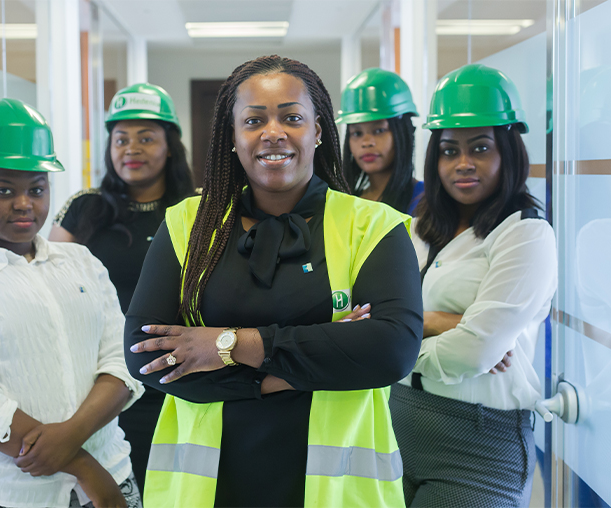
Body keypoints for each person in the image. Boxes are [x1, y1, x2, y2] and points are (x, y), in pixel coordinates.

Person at [123, 55, 423, 508]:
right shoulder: (187, 224)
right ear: (233, 137)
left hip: (337, 492)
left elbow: (391, 349)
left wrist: (224, 344)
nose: (273, 132)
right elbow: (144, 353)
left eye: (292, 118)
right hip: (205, 491)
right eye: (254, 120)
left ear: (318, 131)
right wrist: (311, 362)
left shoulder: (373, 226)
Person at [0, 98, 144, 508]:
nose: (24, 203)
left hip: (110, 470)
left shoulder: (82, 262)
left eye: (37, 189)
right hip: (5, 491)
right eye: (4, 190)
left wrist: (72, 441)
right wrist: (83, 466)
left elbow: (121, 361)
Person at [388, 64, 558, 507]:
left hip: (478, 448)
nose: (463, 163)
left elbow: (475, 351)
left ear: (508, 151)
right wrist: (438, 322)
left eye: (480, 148)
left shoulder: (525, 234)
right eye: (449, 150)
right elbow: (366, 313)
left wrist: (390, 346)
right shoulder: (419, 230)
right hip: (395, 430)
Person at [49, 83, 193, 489]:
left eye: (146, 138)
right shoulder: (84, 208)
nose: (131, 149)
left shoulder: (198, 208)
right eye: (121, 139)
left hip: (178, 380)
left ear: (170, 146)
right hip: (100, 384)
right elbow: (49, 287)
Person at [336, 68, 423, 215]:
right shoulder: (348, 204)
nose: (366, 142)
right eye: (357, 133)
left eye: (379, 130)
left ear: (403, 133)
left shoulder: (425, 201)